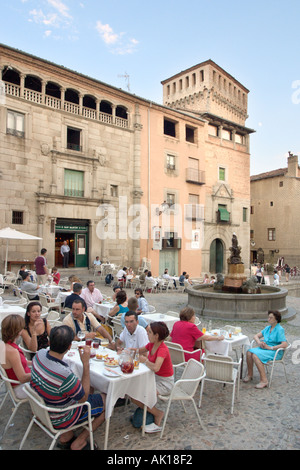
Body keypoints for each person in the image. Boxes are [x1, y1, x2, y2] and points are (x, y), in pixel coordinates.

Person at [30, 325, 106, 450]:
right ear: (70, 346)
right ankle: (80, 441)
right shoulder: (64, 375)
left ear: (50, 341)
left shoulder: (39, 355)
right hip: (61, 417)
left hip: (43, 409)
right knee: (107, 400)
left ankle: (66, 436)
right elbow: (83, 399)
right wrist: (85, 364)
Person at [131, 322, 174, 433]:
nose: (147, 333)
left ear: (156, 336)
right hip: (153, 378)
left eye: (149, 332)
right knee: (132, 392)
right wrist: (126, 351)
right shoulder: (151, 345)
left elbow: (156, 368)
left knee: (137, 395)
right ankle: (149, 413)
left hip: (164, 383)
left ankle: (158, 414)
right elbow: (138, 351)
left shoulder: (162, 349)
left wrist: (145, 360)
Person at [243, 310, 288, 389]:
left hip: (275, 351)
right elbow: (256, 336)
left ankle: (264, 380)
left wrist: (271, 347)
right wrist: (259, 342)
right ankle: (250, 374)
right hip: (265, 349)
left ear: (276, 319)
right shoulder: (267, 328)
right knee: (249, 352)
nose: (269, 319)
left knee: (255, 355)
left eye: (271, 318)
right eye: (268, 317)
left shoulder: (279, 329)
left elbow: (285, 344)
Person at [1, 314, 31, 399]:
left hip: (14, 384)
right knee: (52, 384)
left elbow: (18, 362)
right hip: (19, 388)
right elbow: (22, 378)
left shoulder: (3, 345)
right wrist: (40, 374)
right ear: (18, 331)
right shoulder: (12, 351)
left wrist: (35, 362)